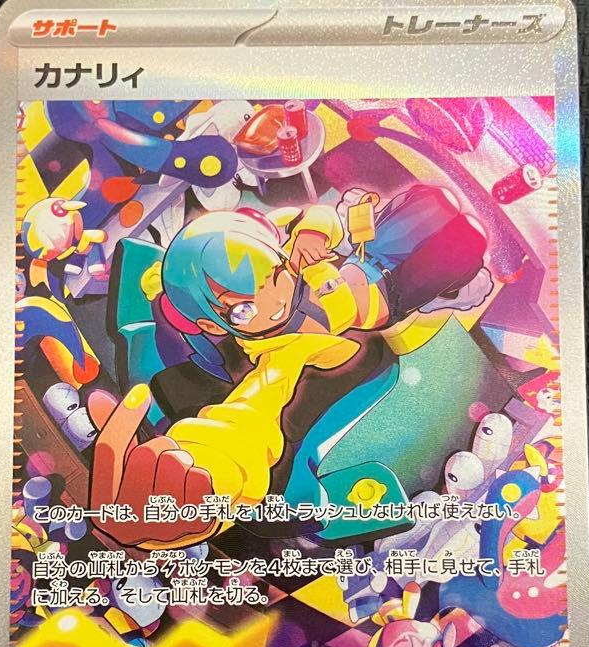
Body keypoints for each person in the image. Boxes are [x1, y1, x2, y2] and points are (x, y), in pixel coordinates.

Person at [89, 184, 490, 550]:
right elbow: (246, 417)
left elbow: (319, 219)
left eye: (273, 276)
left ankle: (439, 271)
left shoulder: (294, 256)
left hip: (363, 260)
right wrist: (212, 478)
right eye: (243, 308)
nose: (274, 300)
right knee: (468, 241)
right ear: (214, 325)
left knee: (435, 203)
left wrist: (312, 233)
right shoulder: (278, 353)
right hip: (388, 298)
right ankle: (451, 292)